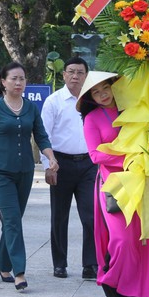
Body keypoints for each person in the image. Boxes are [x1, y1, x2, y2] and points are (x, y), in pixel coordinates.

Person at [0, 62, 59, 292]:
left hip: (25, 172)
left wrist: (50, 156)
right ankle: (19, 271)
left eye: (22, 79)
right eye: (14, 79)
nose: (19, 83)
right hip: (0, 173)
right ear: (3, 82)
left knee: (13, 219)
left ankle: (1, 264)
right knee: (12, 220)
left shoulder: (30, 107)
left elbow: (41, 135)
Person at [78, 71, 149, 297]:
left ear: (114, 87)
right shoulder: (91, 118)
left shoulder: (132, 111)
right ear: (90, 97)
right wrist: (129, 158)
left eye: (105, 88)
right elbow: (95, 155)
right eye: (96, 92)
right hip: (113, 186)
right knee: (120, 240)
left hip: (139, 184)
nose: (102, 94)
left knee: (138, 243)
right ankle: (111, 289)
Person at [40, 57, 98, 280]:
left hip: (88, 165)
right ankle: (59, 263)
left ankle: (90, 264)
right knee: (59, 216)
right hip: (60, 163)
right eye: (71, 72)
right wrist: (48, 166)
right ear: (63, 75)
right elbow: (43, 135)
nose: (75, 76)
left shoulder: (92, 101)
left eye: (80, 72)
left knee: (91, 215)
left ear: (86, 76)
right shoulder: (53, 101)